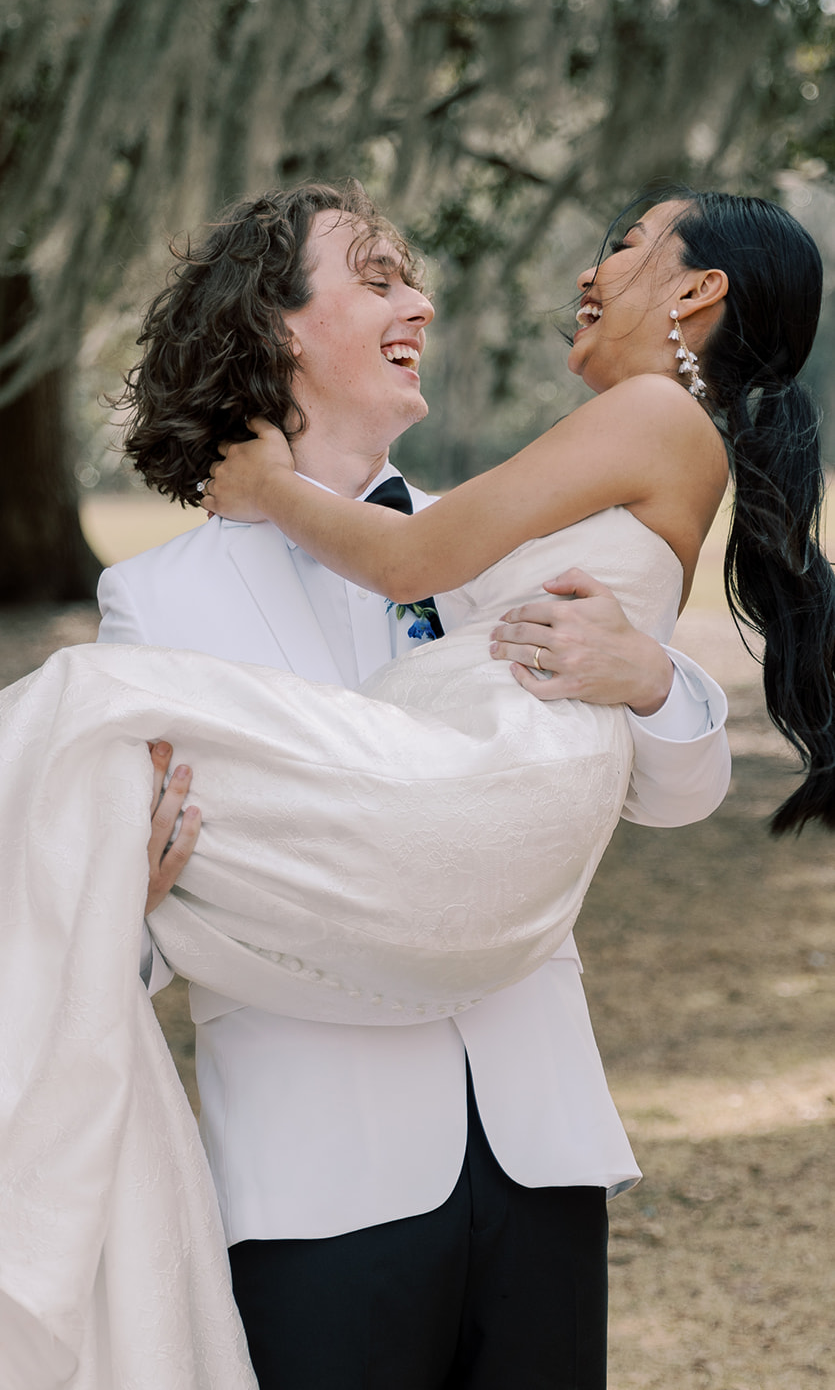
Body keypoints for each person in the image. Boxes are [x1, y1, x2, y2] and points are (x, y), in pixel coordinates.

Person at [95, 182, 742, 1389]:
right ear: (280, 324)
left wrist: (651, 679)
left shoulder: (485, 535)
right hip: (319, 1173)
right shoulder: (158, 604)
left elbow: (674, 794)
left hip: (535, 1140)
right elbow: (149, 910)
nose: (422, 303)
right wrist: (123, 901)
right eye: (381, 278)